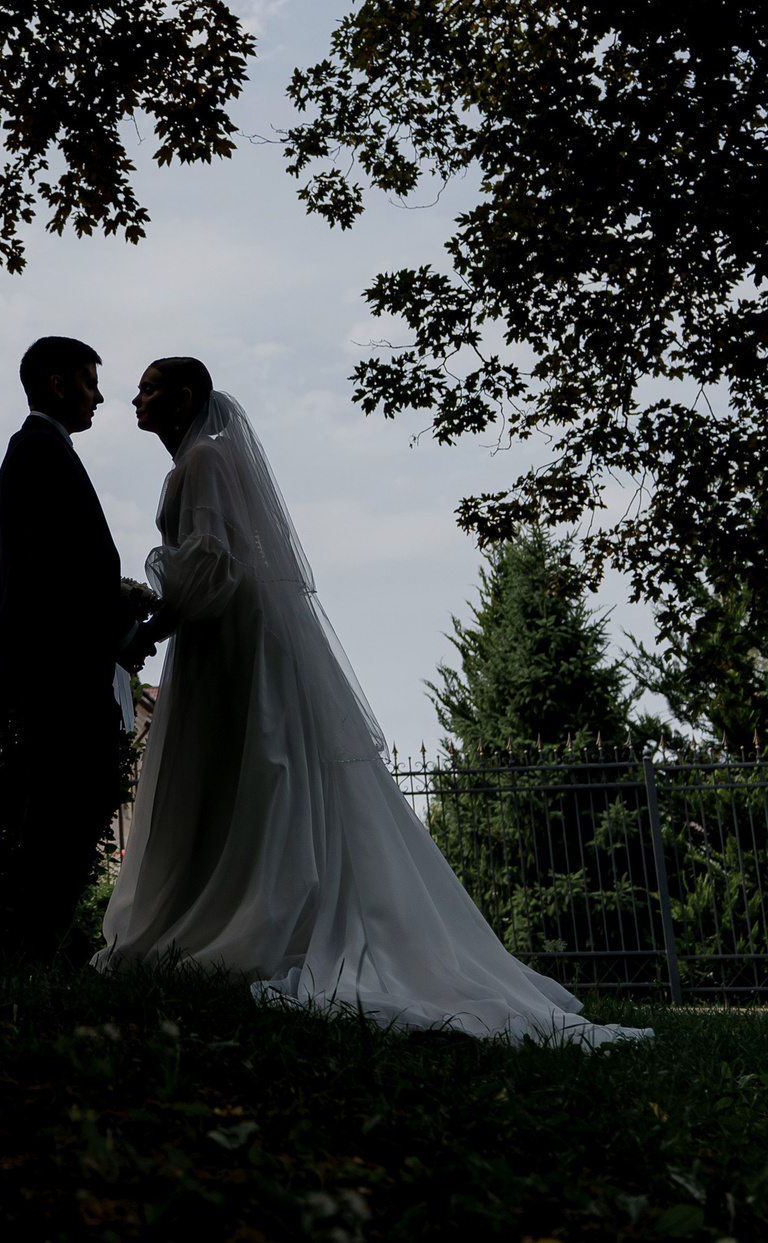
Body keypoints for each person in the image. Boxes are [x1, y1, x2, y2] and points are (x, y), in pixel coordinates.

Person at [98, 358, 651, 1047]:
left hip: (231, 641)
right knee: (249, 773)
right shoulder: (217, 457)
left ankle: (245, 918)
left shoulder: (204, 461)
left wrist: (152, 613)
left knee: (243, 770)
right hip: (232, 634)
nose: (135, 398)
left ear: (184, 397)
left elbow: (212, 560)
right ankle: (228, 906)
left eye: (149, 388)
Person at [0, 336, 147, 963]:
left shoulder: (44, 449)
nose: (99, 395)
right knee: (64, 812)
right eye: (88, 381)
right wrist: (119, 624)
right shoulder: (38, 450)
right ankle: (24, 952)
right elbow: (57, 571)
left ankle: (31, 950)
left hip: (59, 664)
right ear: (56, 384)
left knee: (66, 810)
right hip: (58, 669)